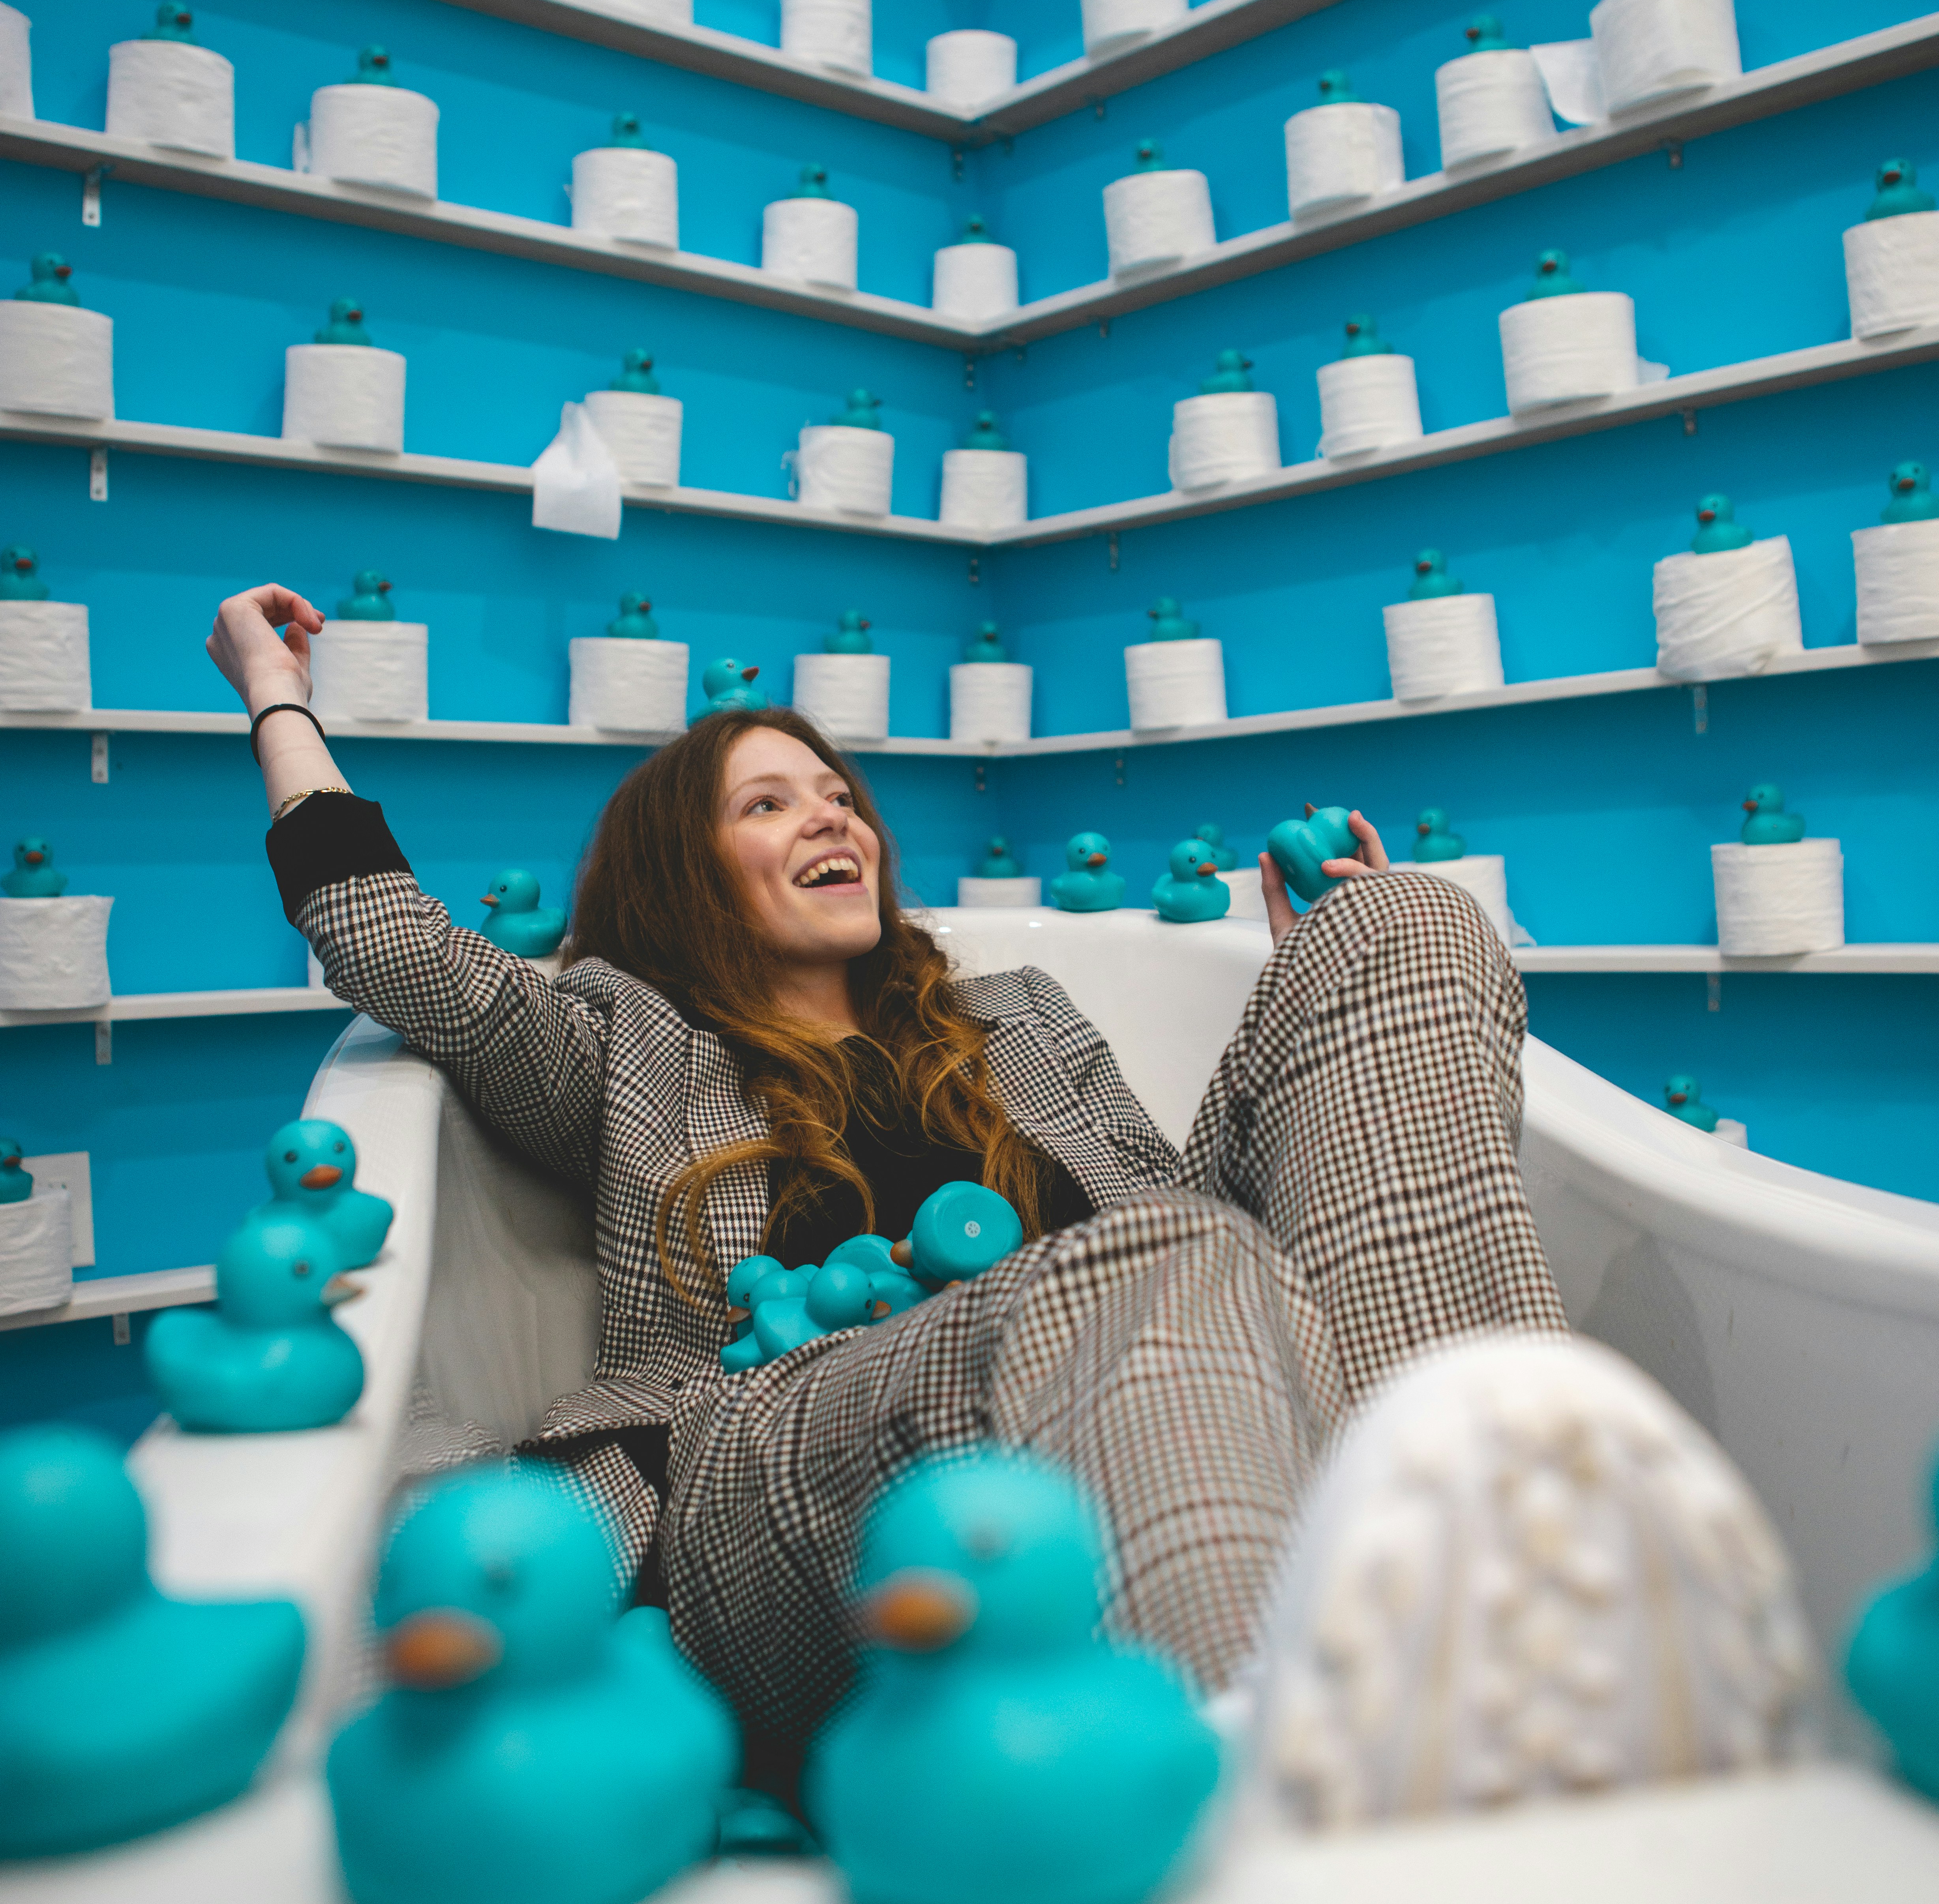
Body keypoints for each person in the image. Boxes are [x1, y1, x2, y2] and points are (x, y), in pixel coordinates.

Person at [208, 581, 1803, 1807]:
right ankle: (1277, 1781)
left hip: (1146, 1372)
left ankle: (1504, 1595)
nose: (830, 813)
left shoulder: (1018, 1020)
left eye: (836, 793)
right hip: (781, 1471)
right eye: (765, 802)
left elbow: (1199, 1236)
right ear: (681, 881)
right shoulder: (622, 1039)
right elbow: (386, 939)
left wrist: (1299, 950)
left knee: (1408, 928)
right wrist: (276, 691)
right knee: (1143, 1268)